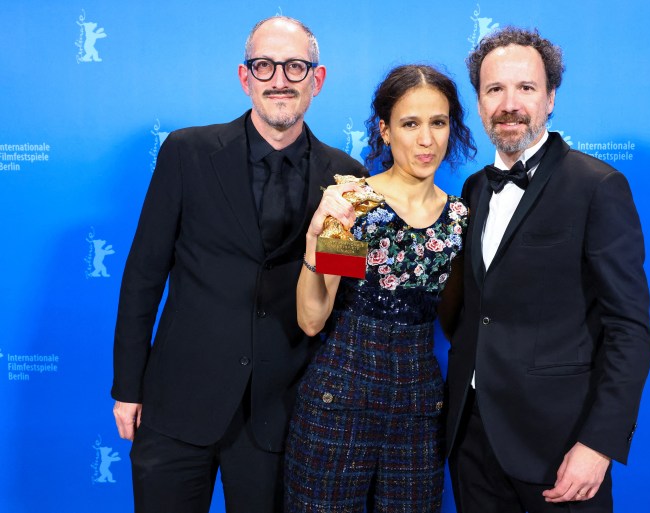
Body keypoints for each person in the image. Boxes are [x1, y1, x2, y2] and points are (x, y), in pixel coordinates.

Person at [111, 16, 365, 513]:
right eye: (264, 65)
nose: (279, 79)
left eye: (295, 66)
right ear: (245, 76)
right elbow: (143, 275)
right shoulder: (187, 152)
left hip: (283, 411)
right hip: (177, 403)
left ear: (318, 78)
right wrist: (127, 387)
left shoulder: (348, 177)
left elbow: (342, 298)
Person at [441, 27, 650, 513]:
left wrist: (598, 445)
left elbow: (629, 329)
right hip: (472, 440)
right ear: (479, 102)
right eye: (495, 89)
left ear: (551, 98)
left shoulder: (597, 186)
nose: (509, 103)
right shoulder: (473, 190)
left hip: (559, 447)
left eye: (526, 88)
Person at [284, 64, 476, 513]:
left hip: (418, 408)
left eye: (438, 123)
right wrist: (317, 241)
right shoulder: (354, 204)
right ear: (385, 131)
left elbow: (458, 321)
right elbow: (312, 319)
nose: (426, 140)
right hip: (339, 399)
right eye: (410, 124)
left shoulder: (460, 219)